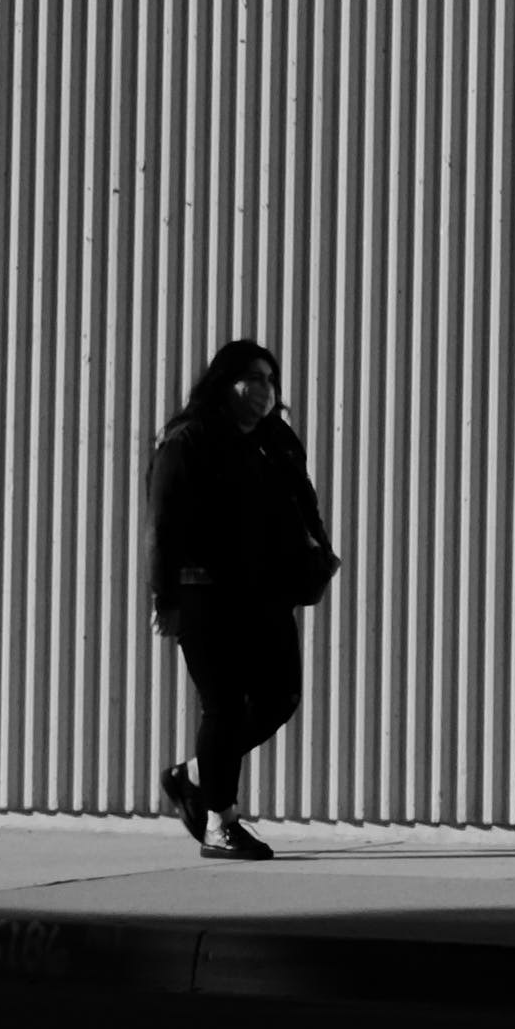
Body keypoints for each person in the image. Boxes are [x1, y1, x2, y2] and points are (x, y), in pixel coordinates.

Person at [147, 339, 341, 861]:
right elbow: (166, 524)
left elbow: (305, 501)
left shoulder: (277, 440)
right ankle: (220, 821)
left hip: (267, 591)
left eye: (269, 379)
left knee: (281, 697)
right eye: (250, 378)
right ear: (223, 382)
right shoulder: (188, 440)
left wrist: (320, 552)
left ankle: (192, 775)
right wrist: (165, 596)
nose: (262, 390)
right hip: (205, 593)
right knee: (226, 705)